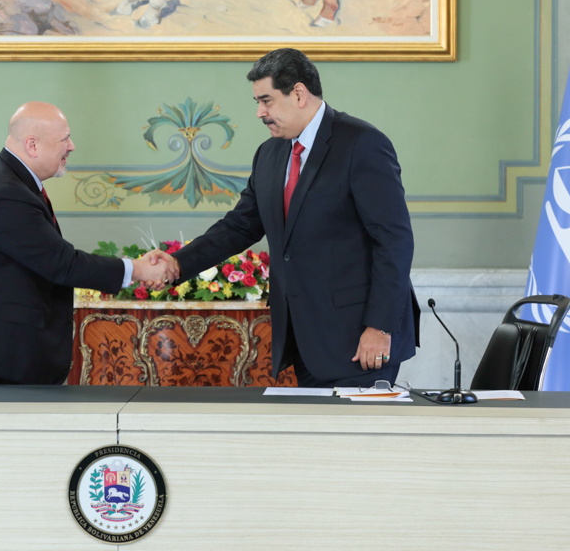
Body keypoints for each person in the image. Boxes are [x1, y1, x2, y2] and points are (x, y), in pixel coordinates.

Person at [151, 48, 419, 387]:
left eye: (266, 101)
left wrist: (380, 327)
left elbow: (393, 241)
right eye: (257, 102)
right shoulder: (270, 153)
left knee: (355, 440)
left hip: (360, 341)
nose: (260, 112)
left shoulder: (362, 144)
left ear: (298, 94)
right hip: (304, 340)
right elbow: (240, 225)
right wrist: (178, 263)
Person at [0, 102, 177, 385]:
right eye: (64, 139)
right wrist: (139, 270)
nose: (72, 146)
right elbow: (62, 264)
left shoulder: (10, 181)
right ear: (32, 145)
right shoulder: (5, 193)